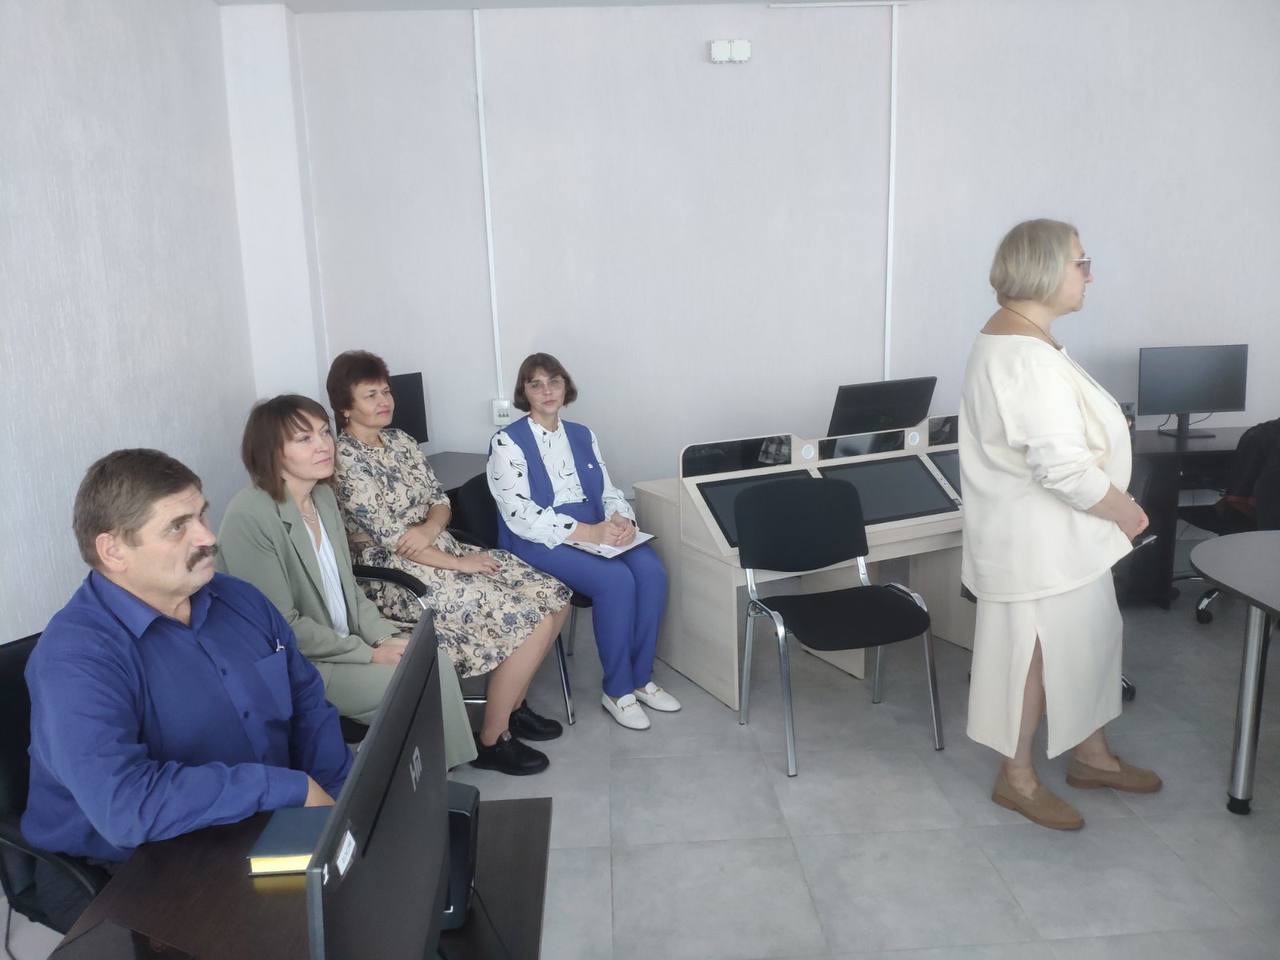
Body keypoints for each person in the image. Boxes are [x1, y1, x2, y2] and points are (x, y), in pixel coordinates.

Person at [23, 449, 351, 931]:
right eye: (178, 527)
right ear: (113, 551)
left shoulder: (240, 600)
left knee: (379, 895)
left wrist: (339, 806)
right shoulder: (76, 657)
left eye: (202, 514)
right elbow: (126, 807)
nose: (208, 537)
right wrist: (285, 788)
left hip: (252, 823)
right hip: (126, 864)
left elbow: (307, 705)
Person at [959, 219, 1161, 830]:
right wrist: (1128, 513)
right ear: (1045, 269)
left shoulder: (1028, 339)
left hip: (1067, 542)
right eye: (1081, 263)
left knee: (1090, 641)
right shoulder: (1025, 357)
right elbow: (1063, 468)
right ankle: (1016, 778)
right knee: (1033, 660)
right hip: (1038, 547)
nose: (1089, 275)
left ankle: (1091, 757)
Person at [327, 351, 571, 776]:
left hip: (441, 548)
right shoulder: (345, 459)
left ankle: (512, 708)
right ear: (345, 407)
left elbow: (440, 499)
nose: (385, 401)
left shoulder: (400, 441)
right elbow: (395, 541)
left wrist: (429, 528)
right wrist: (460, 563)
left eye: (386, 391)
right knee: (529, 619)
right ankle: (493, 740)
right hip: (398, 574)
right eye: (371, 395)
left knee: (556, 596)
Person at [216, 395, 477, 769]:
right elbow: (280, 627)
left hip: (344, 641)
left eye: (325, 432)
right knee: (414, 682)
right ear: (270, 451)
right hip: (301, 663)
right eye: (304, 438)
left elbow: (348, 589)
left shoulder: (322, 498)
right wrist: (369, 654)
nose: (324, 445)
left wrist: (383, 637)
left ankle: (439, 772)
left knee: (433, 659)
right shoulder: (250, 514)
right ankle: (429, 782)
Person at [487, 352, 680, 731]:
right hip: (537, 539)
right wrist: (588, 533)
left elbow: (607, 490)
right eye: (536, 384)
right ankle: (618, 691)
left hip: (594, 527)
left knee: (652, 572)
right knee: (615, 580)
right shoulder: (507, 443)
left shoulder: (582, 434)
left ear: (566, 386)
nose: (547, 391)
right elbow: (520, 515)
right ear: (524, 392)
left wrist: (621, 518)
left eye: (554, 382)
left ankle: (641, 679)